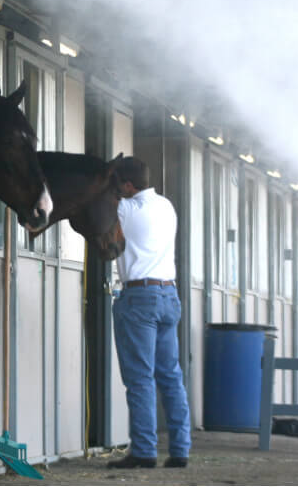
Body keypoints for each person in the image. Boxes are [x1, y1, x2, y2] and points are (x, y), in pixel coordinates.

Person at [107, 156, 191, 469]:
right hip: (169, 294)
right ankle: (180, 450)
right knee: (171, 376)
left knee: (140, 379)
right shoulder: (166, 206)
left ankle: (144, 451)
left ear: (127, 185)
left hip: (140, 297)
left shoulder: (125, 209)